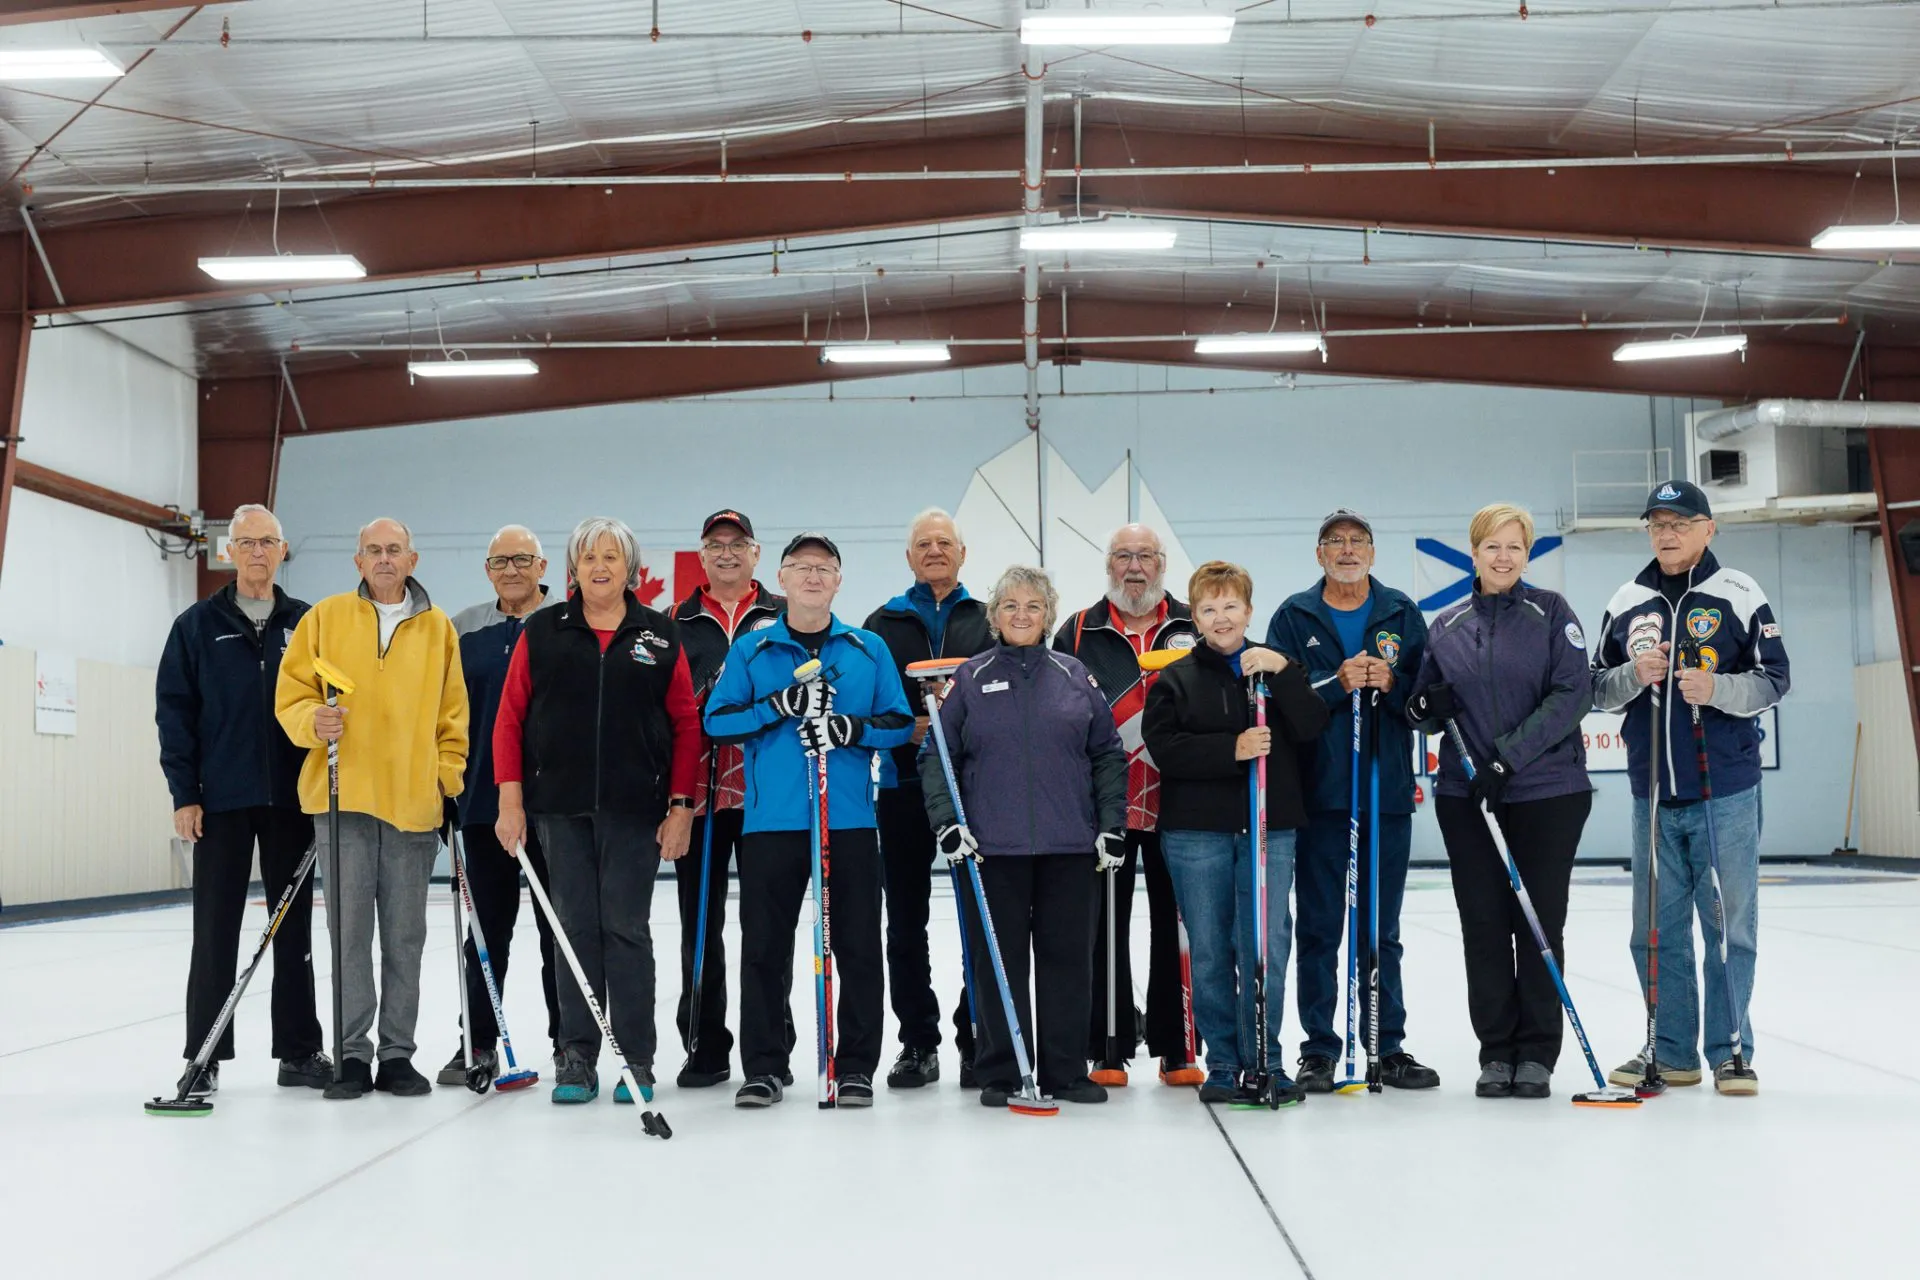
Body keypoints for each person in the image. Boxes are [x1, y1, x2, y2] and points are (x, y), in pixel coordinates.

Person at [492, 517, 701, 1105]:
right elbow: (509, 720)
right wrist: (511, 801)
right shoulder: (543, 630)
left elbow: (687, 725)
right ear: (572, 570)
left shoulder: (660, 635)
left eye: (612, 556)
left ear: (630, 568)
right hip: (557, 809)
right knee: (573, 929)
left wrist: (681, 805)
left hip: (636, 810)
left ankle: (635, 1058)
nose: (600, 566)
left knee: (626, 930)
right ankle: (577, 1056)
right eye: (589, 558)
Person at [705, 532, 914, 1109]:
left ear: (839, 579)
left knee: (857, 945)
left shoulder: (866, 647)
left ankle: (855, 1068)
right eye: (802, 567)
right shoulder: (753, 649)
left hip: (847, 820)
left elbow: (899, 723)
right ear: (784, 577)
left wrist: (851, 729)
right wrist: (778, 707)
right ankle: (765, 1067)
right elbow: (716, 723)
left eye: (825, 568)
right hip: (772, 822)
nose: (814, 577)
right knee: (765, 947)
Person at [1593, 480, 1789, 1097]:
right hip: (1650, 793)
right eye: (1657, 523)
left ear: (1709, 529)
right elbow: (1595, 686)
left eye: (1680, 522)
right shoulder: (1627, 600)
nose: (1667, 533)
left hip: (1723, 793)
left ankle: (1732, 1052)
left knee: (1728, 927)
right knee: (1653, 929)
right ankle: (1671, 1051)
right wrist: (1632, 674)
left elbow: (1775, 678)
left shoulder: (1738, 592)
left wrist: (1718, 690)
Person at [276, 517, 468, 1100]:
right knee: (349, 936)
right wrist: (315, 721)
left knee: (405, 937)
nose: (384, 559)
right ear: (357, 561)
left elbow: (451, 715)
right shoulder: (324, 620)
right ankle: (353, 1056)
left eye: (394, 550)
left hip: (412, 808)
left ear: (413, 559)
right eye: (373, 551)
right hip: (344, 804)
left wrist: (444, 778)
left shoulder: (438, 629)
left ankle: (397, 1055)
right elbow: (292, 694)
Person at [920, 565, 1127, 1107]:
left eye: (1032, 606)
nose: (1021, 614)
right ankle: (1002, 1071)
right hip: (992, 849)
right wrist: (947, 822)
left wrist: (1111, 825)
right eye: (1010, 605)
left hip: (1069, 848)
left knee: (1067, 961)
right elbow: (938, 757)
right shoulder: (971, 678)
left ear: (1047, 615)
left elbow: (1107, 752)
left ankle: (1063, 1071)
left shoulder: (1074, 674)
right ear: (994, 615)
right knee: (996, 964)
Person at [1406, 504, 1594, 1100]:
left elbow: (1572, 694)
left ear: (1528, 552)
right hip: (1466, 796)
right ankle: (1496, 1052)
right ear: (1475, 551)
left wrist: (1505, 758)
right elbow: (1424, 707)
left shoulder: (1552, 614)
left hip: (1546, 792)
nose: (1504, 557)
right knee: (1484, 925)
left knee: (1537, 921)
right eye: (1493, 546)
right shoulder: (1448, 624)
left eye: (1515, 546)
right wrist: (1421, 708)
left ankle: (1536, 1053)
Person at [157, 503, 329, 1097]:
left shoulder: (308, 624)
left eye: (269, 542)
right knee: (215, 931)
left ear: (283, 551)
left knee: (294, 929)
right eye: (247, 542)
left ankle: (301, 1052)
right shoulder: (196, 626)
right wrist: (186, 793)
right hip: (221, 801)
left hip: (291, 800)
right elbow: (175, 714)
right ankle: (204, 1056)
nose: (258, 552)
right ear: (228, 551)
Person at [1266, 508, 1441, 1092]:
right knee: (1319, 927)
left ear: (1372, 551)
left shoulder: (1400, 613)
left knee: (1379, 929)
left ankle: (1385, 1045)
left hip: (1383, 793)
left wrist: (1391, 686)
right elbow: (1281, 700)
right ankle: (1318, 1049)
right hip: (1320, 798)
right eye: (1334, 542)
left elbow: (1424, 701)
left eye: (1357, 541)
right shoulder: (1295, 615)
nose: (1346, 550)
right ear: (1319, 554)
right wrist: (1335, 685)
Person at [1144, 561, 1328, 1105]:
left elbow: (1313, 726)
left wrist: (1287, 673)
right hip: (1197, 836)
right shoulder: (1175, 678)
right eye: (1208, 609)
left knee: (1266, 946)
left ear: (1249, 610)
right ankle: (1223, 1061)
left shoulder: (1274, 668)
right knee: (1209, 951)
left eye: (1231, 607)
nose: (1221, 618)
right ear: (1194, 616)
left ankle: (1265, 1057)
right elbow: (1165, 748)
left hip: (1269, 832)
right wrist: (1233, 749)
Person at [1053, 523, 1198, 1085]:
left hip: (1181, 801)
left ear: (1162, 563)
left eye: (1145, 556)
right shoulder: (1078, 630)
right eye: (1122, 557)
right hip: (1104, 806)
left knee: (1179, 924)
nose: (1133, 567)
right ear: (1107, 564)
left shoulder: (1192, 623)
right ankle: (1107, 1046)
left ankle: (1177, 1045)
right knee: (1101, 926)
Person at [863, 508, 993, 1089]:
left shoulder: (989, 618)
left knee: (981, 915)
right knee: (905, 920)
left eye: (945, 542)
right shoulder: (880, 624)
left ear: (963, 554)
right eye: (924, 543)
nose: (935, 550)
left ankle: (976, 1037)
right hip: (903, 788)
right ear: (909, 557)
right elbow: (867, 709)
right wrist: (908, 728)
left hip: (978, 792)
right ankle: (918, 1042)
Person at [437, 525, 563, 1086]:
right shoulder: (460, 630)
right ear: (487, 570)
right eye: (498, 561)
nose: (510, 570)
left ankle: (571, 1044)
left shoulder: (568, 623)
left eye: (521, 559)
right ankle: (478, 1043)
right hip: (483, 804)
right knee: (486, 934)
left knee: (559, 931)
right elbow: (441, 716)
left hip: (555, 806)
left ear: (542, 567)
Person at [669, 509, 786, 1088]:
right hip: (700, 794)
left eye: (737, 543)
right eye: (715, 544)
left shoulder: (785, 616)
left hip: (769, 793)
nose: (727, 553)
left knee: (767, 926)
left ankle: (772, 1047)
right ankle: (704, 1044)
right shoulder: (676, 620)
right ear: (702, 554)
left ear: (756, 553)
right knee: (700, 923)